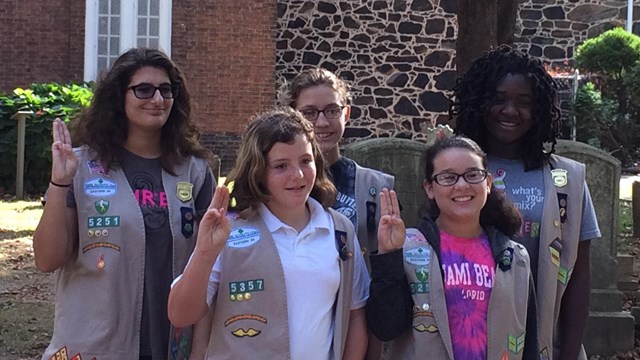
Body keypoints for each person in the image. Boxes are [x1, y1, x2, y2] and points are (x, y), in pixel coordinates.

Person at [33, 48, 215, 360]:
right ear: (119, 95)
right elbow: (48, 259)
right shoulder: (80, 167)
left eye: (166, 90)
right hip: (95, 346)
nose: (157, 99)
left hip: (172, 345)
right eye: (143, 89)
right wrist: (60, 184)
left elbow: (209, 273)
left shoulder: (194, 171)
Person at [168, 109, 369, 359]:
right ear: (258, 171)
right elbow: (180, 315)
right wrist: (204, 253)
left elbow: (355, 314)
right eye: (281, 166)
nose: (297, 175)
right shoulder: (230, 230)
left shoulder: (340, 230)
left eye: (305, 161)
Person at [452, 45, 601, 360]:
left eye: (524, 103)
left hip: (543, 342)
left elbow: (579, 276)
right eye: (498, 99)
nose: (510, 110)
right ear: (480, 102)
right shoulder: (455, 172)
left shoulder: (567, 180)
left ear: (540, 111)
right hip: (470, 342)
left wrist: (570, 352)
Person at [366, 136, 537, 359]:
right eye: (448, 177)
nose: (462, 185)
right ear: (429, 188)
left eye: (472, 174)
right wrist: (388, 257)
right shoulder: (408, 248)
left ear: (488, 182)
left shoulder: (514, 258)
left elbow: (529, 341)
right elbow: (385, 328)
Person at [284, 68, 395, 266]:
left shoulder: (376, 187)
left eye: (332, 110)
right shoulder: (279, 183)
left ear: (347, 113)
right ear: (293, 114)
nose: (322, 122)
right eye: (309, 112)